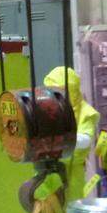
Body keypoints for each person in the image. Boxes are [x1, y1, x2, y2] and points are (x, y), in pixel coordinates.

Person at [44, 66, 101, 201]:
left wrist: (61, 140)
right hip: (50, 169)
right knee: (49, 206)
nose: (55, 98)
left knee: (73, 206)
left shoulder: (86, 112)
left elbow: (85, 140)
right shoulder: (50, 110)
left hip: (73, 171)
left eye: (60, 93)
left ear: (72, 91)